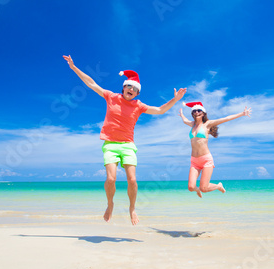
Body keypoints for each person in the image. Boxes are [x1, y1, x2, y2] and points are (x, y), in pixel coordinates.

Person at [63, 55, 187, 225]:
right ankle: (110, 203)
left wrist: (175, 99)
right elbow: (91, 83)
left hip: (128, 145)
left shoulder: (139, 106)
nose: (130, 89)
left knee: (132, 180)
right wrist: (74, 67)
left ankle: (132, 208)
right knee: (111, 179)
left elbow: (159, 110)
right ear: (123, 88)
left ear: (137, 92)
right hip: (110, 144)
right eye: (127, 86)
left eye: (133, 88)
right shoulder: (111, 97)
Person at [179, 102, 251, 198]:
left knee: (204, 188)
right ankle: (197, 190)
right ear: (193, 113)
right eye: (194, 111)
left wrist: (242, 114)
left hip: (206, 160)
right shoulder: (192, 124)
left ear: (203, 113)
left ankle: (218, 186)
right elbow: (184, 120)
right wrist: (182, 114)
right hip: (194, 161)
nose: (196, 112)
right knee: (191, 187)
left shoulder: (207, 124)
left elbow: (225, 119)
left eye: (199, 110)